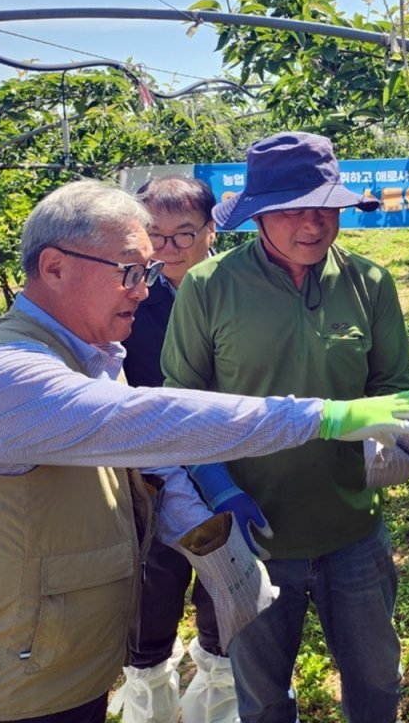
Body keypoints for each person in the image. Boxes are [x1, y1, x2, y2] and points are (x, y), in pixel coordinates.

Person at [0, 178, 409, 723]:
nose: (143, 289)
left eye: (147, 274)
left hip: (52, 666)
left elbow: (152, 464)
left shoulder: (90, 357)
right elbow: (153, 420)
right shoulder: (8, 372)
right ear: (55, 266)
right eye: (131, 272)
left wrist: (210, 538)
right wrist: (327, 417)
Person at [161, 132, 409, 723]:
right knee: (263, 697)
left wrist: (395, 440)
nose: (314, 224)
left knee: (377, 685)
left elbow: (391, 387)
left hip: (352, 529)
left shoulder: (369, 282)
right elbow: (182, 410)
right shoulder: (209, 287)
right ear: (258, 214)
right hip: (254, 538)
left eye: (325, 205)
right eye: (294, 209)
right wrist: (222, 489)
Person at [113, 175, 236, 723]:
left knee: (224, 577)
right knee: (155, 578)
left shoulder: (239, 291)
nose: (167, 248)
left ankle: (217, 679)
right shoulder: (130, 297)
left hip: (233, 462)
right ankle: (149, 687)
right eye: (154, 235)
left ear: (212, 230)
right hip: (153, 471)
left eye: (183, 233)